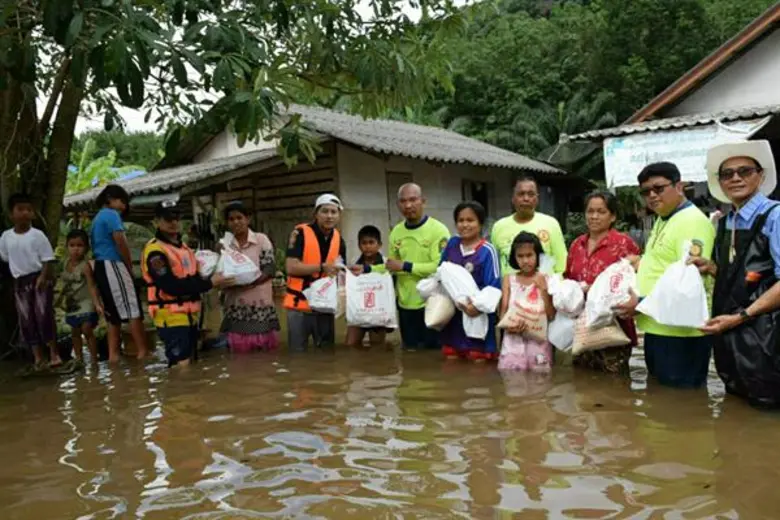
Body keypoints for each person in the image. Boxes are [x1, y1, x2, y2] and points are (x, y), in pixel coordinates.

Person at [692, 141, 780, 408]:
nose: (736, 178)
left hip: (767, 336)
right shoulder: (727, 221)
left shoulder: (774, 217)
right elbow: (744, 274)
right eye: (727, 174)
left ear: (761, 175)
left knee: (767, 408)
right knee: (736, 409)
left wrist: (741, 316)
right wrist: (712, 268)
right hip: (729, 335)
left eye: (745, 171)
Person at [614, 162, 715, 388]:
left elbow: (688, 283)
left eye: (658, 188)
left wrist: (639, 303)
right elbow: (664, 264)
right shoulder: (664, 218)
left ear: (679, 186)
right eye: (645, 191)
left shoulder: (691, 222)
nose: (651, 195)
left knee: (681, 405)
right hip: (658, 324)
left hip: (681, 332)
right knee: (660, 401)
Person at [142, 201, 232, 367]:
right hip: (171, 314)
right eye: (168, 219)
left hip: (189, 315)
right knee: (181, 364)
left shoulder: (185, 249)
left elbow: (194, 276)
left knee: (190, 362)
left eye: (176, 217)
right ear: (157, 221)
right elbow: (170, 286)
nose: (174, 222)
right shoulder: (155, 252)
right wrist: (209, 283)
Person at [565, 191, 641, 375]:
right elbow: (568, 278)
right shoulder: (577, 245)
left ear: (613, 216)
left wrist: (598, 291)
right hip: (582, 328)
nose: (594, 216)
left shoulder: (624, 244)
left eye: (601, 211)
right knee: (583, 385)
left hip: (614, 328)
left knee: (615, 389)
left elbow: (636, 281)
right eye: (590, 211)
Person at [380, 183, 450, 351]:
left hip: (432, 303)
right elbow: (391, 265)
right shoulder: (396, 232)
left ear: (423, 201)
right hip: (405, 305)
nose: (408, 205)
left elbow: (439, 267)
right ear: (398, 205)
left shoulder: (438, 230)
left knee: (433, 357)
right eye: (403, 201)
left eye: (413, 200)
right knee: (410, 355)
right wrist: (365, 271)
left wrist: (406, 266)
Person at [0, 193, 60, 368]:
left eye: (28, 209)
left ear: (33, 213)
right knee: (26, 319)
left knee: (44, 316)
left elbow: (47, 259)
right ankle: (38, 357)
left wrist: (42, 277)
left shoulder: (37, 235)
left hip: (38, 278)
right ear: (11, 214)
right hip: (19, 281)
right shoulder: (6, 237)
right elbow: (5, 257)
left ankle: (54, 354)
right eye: (20, 209)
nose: (25, 213)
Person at [91, 184, 149, 362]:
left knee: (112, 314)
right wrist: (128, 265)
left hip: (101, 265)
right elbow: (120, 241)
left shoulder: (97, 218)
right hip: (113, 264)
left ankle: (113, 356)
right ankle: (142, 352)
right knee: (132, 308)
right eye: (122, 201)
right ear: (111, 199)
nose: (124, 206)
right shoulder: (111, 215)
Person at [440, 201, 501, 362]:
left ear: (480, 223)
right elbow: (441, 272)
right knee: (452, 360)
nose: (465, 225)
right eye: (461, 220)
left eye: (470, 220)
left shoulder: (488, 251)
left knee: (478, 363)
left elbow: (494, 286)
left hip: (477, 314)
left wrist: (477, 307)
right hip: (453, 316)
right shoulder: (452, 245)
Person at [284, 194, 347, 351]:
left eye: (334, 212)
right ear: (315, 214)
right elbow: (291, 267)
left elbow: (340, 273)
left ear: (339, 216)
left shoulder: (339, 240)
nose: (329, 216)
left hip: (325, 305)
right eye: (324, 211)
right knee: (297, 354)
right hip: (299, 304)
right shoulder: (300, 234)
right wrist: (321, 267)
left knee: (326, 355)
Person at [220, 202, 280, 353]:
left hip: (260, 306)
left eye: (239, 218)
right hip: (236, 307)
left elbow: (270, 268)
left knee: (266, 355)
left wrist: (249, 282)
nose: (236, 222)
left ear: (248, 219)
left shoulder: (261, 240)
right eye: (231, 219)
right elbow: (220, 272)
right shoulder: (224, 245)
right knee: (239, 357)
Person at [498, 232, 555, 371]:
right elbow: (502, 312)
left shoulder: (546, 278)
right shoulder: (509, 279)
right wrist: (508, 326)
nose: (525, 260)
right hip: (512, 341)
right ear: (514, 257)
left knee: (540, 381)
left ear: (537, 255)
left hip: (539, 342)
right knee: (512, 382)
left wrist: (543, 289)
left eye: (529, 255)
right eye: (520, 256)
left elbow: (551, 315)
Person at [491, 175, 568, 275]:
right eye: (521, 194)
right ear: (513, 198)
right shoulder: (499, 227)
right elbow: (495, 266)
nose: (526, 198)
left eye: (531, 194)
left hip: (545, 288)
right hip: (509, 288)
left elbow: (561, 264)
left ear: (537, 199)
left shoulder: (550, 224)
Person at [59, 229, 102, 365]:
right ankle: (79, 359)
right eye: (72, 245)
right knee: (75, 332)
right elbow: (63, 284)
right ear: (67, 247)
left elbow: (91, 285)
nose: (75, 249)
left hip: (87, 301)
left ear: (86, 248)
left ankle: (94, 359)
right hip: (72, 302)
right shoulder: (65, 263)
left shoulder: (86, 266)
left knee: (87, 329)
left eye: (79, 245)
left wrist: (97, 304)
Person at [346, 225, 390, 348]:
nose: (368, 246)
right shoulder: (354, 265)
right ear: (359, 245)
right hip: (358, 311)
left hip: (379, 312)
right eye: (364, 243)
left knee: (377, 348)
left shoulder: (387, 264)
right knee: (350, 345)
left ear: (379, 244)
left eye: (371, 242)